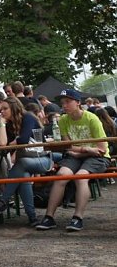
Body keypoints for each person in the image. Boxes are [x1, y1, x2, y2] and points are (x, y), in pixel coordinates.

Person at [36, 89, 110, 232]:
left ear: (78, 103)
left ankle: (78, 217)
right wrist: (86, 150)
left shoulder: (92, 118)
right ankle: (49, 217)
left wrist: (81, 151)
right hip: (78, 155)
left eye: (68, 102)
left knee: (80, 177)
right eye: (62, 103)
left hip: (97, 157)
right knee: (61, 175)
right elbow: (68, 146)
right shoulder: (63, 120)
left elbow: (101, 149)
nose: (64, 105)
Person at [0, 98, 52, 226]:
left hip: (43, 159)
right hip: (25, 162)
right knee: (23, 177)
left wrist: (12, 143)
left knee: (20, 165)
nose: (2, 112)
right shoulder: (9, 124)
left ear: (14, 107)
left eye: (6, 108)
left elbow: (23, 139)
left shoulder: (28, 117)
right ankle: (32, 218)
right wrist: (1, 123)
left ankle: (3, 201)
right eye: (1, 109)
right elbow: (3, 143)